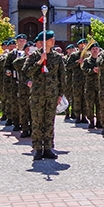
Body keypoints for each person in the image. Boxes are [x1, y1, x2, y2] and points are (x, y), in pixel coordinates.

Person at [24, 30, 66, 160]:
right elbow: (26, 71)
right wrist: (39, 62)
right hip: (38, 94)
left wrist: (60, 94)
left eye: (53, 39)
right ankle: (37, 148)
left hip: (52, 94)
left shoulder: (57, 57)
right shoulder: (34, 56)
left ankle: (48, 147)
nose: (53, 41)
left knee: (49, 121)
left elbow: (62, 76)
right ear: (44, 41)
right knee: (37, 121)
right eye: (51, 39)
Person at [82, 42, 102, 129]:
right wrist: (92, 71)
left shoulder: (101, 60)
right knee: (89, 105)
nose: (95, 50)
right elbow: (84, 70)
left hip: (100, 86)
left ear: (99, 50)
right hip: (90, 86)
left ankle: (99, 121)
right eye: (93, 49)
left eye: (96, 49)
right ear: (90, 50)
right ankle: (91, 121)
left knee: (100, 105)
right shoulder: (87, 60)